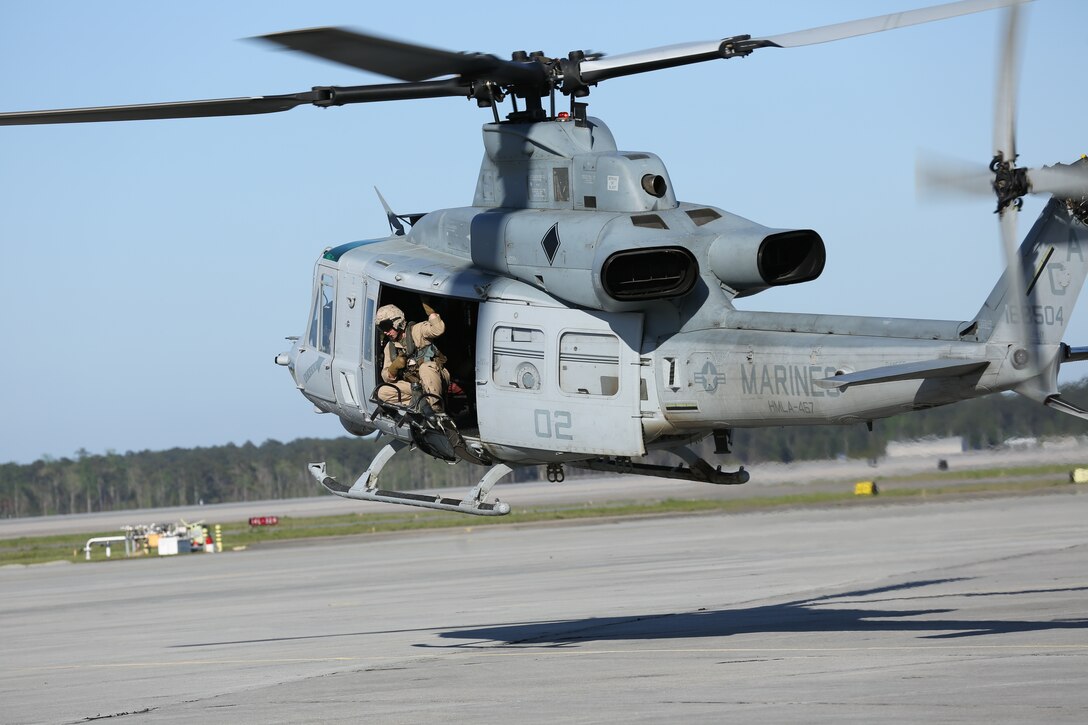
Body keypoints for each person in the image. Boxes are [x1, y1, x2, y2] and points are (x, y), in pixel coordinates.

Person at [374, 301, 449, 413]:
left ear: (397, 322)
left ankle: (435, 408)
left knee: (426, 368)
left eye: (386, 327)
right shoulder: (390, 347)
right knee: (382, 392)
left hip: (435, 379)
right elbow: (386, 377)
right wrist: (393, 368)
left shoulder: (417, 330)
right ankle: (419, 406)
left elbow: (438, 330)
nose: (386, 332)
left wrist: (432, 315)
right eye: (381, 329)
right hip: (415, 386)